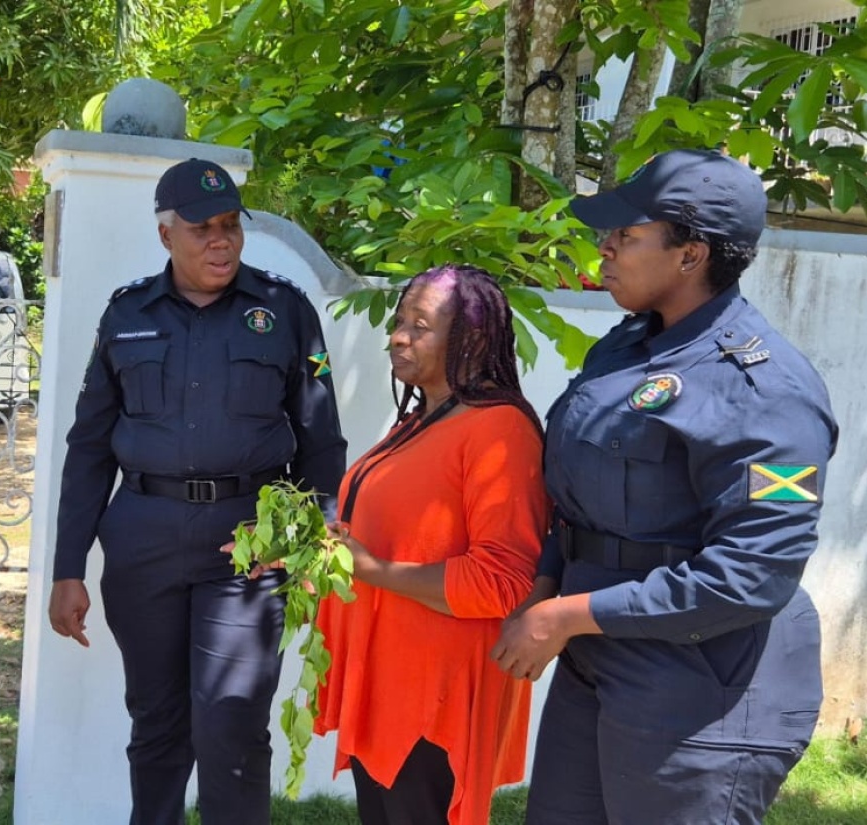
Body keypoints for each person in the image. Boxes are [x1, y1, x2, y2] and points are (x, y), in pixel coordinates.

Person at [490, 149, 839, 824]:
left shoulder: (765, 392)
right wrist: (546, 586)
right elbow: (578, 498)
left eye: (627, 235)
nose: (606, 246)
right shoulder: (627, 346)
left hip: (703, 682)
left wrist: (563, 615)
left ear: (691, 255)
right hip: (599, 655)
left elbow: (751, 576)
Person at [49, 158, 347, 825]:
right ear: (165, 235)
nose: (221, 240)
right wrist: (69, 567)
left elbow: (321, 437)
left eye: (231, 225)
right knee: (157, 722)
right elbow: (89, 448)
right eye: (202, 228)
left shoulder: (284, 309)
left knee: (232, 721)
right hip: (143, 539)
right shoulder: (126, 314)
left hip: (245, 544)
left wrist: (317, 528)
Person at [314, 265, 549, 825]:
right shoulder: (423, 418)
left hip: (436, 698)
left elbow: (501, 581)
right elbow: (379, 534)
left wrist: (369, 569)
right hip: (386, 681)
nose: (399, 336)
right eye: (400, 322)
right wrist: (308, 553)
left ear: (470, 337)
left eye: (420, 325)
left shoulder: (499, 431)